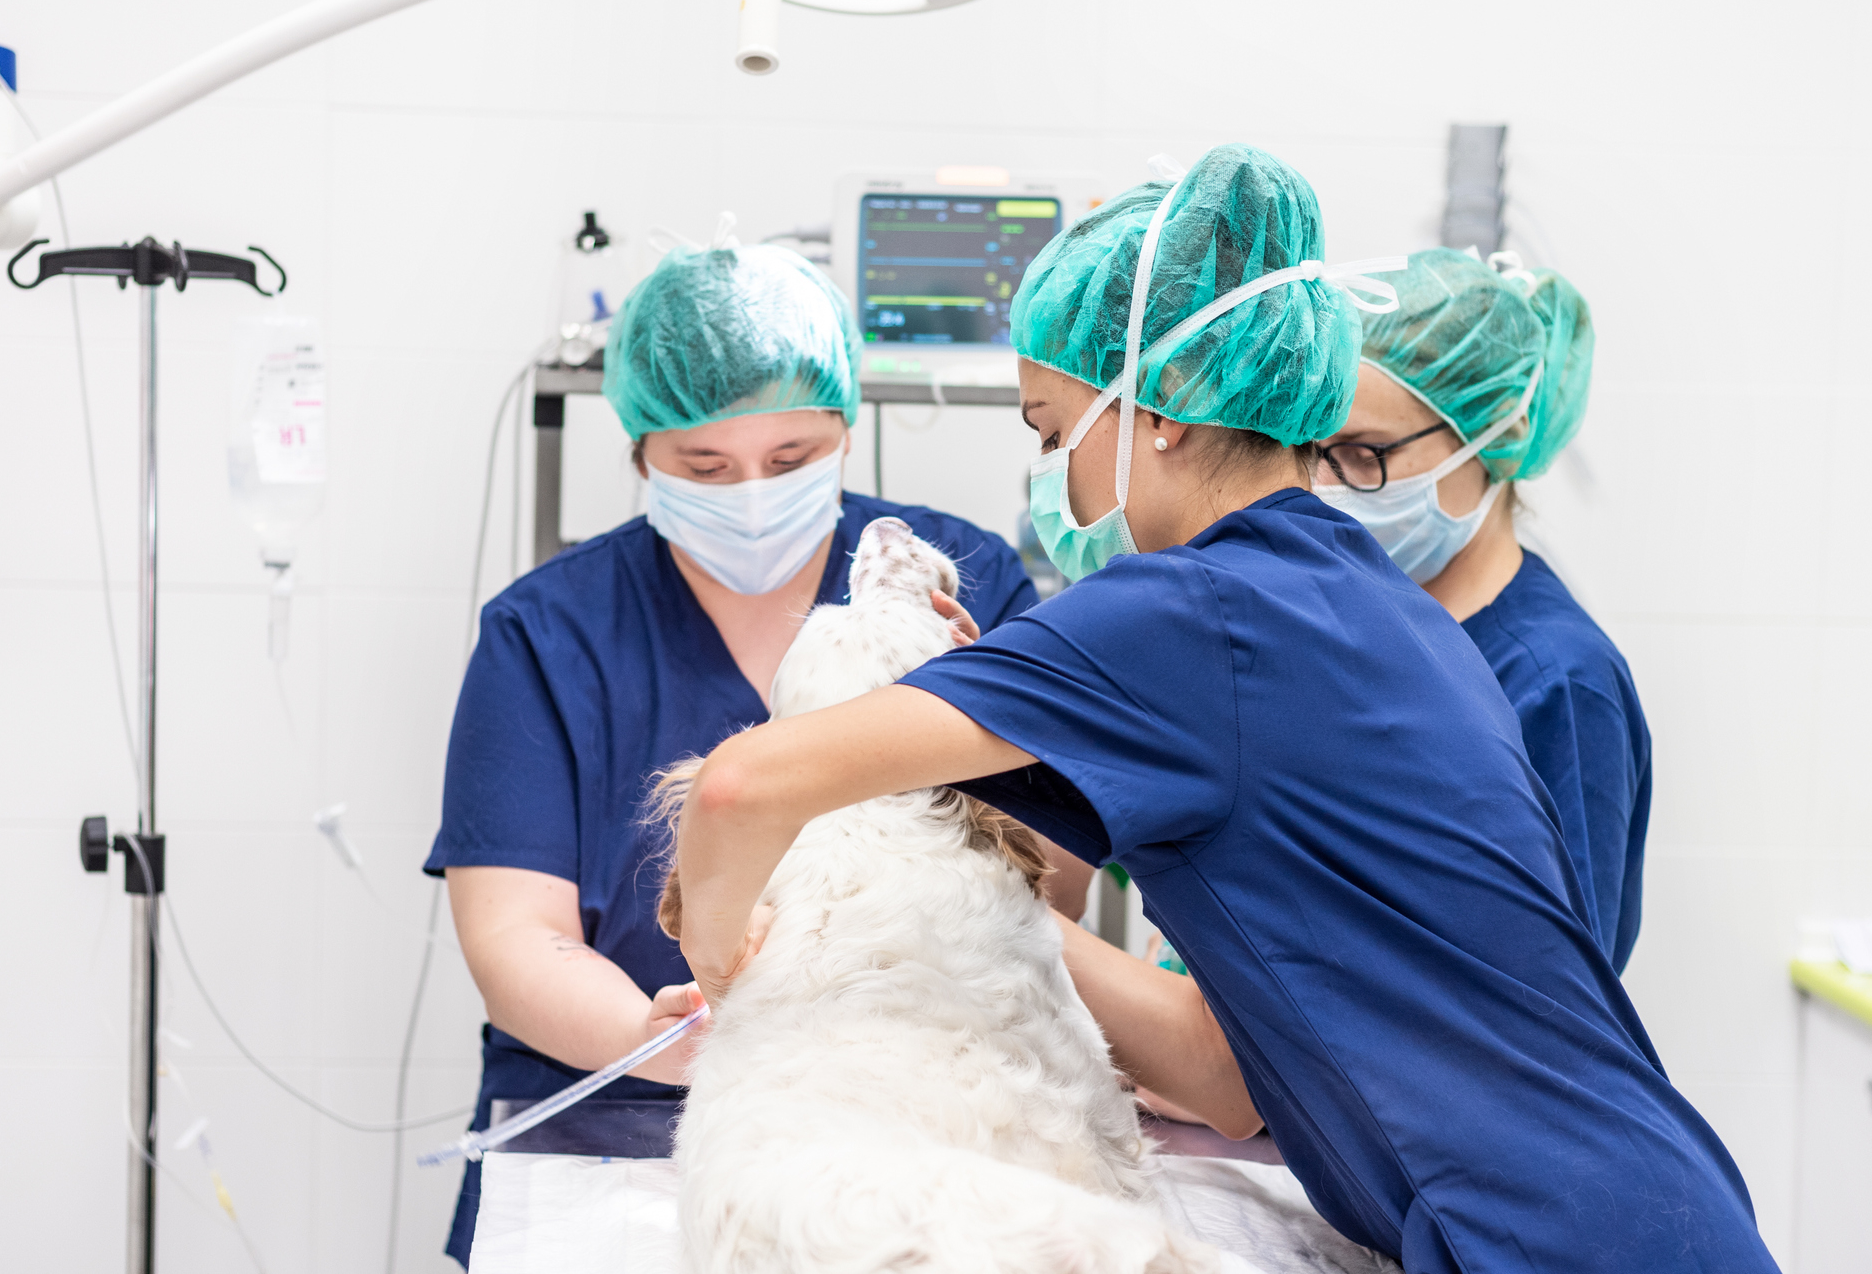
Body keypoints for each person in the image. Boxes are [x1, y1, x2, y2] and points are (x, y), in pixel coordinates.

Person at [668, 147, 1775, 1273]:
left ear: (1161, 411)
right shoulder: (1367, 605)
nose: (1057, 481)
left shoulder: (1191, 610)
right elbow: (1221, 1079)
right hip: (1641, 1212)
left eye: (1053, 433)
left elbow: (742, 785)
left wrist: (727, 960)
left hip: (1541, 1240)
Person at [422, 238, 1039, 1267]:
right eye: (704, 467)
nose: (751, 493)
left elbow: (1041, 880)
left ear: (847, 430)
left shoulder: (957, 584)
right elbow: (514, 937)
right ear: (639, 456)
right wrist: (651, 1037)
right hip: (613, 1129)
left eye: (792, 460)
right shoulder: (551, 631)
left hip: (908, 1108)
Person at [1311, 248, 1650, 970]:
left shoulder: (1558, 680)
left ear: (1494, 434)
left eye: (1364, 453)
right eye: (1315, 453)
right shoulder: (1376, 625)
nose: (1330, 486)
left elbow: (1561, 991)